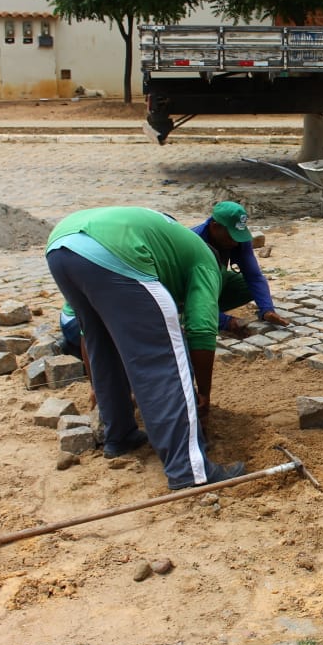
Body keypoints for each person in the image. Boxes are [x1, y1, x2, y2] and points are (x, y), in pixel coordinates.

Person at [45, 206, 244, 491]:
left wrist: (95, 385)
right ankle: (189, 469)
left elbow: (90, 338)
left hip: (62, 245)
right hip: (115, 250)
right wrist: (203, 393)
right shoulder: (206, 263)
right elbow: (201, 329)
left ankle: (120, 436)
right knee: (163, 357)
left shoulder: (169, 244)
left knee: (104, 344)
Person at [191, 201, 291, 336]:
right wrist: (225, 322)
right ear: (215, 227)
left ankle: (212, 309)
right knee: (197, 299)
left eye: (238, 236)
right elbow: (188, 293)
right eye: (231, 236)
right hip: (187, 289)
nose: (235, 242)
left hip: (213, 283)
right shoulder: (193, 242)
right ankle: (198, 315)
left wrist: (267, 310)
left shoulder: (239, 240)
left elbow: (254, 276)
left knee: (247, 287)